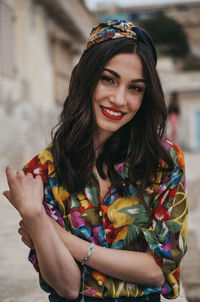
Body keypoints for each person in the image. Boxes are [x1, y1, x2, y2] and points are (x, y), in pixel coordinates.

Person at [3, 20, 188, 302]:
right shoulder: (43, 171)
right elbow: (66, 286)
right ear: (87, 78)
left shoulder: (163, 161)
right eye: (108, 79)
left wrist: (59, 237)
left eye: (135, 88)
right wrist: (33, 215)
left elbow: (156, 270)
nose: (119, 99)